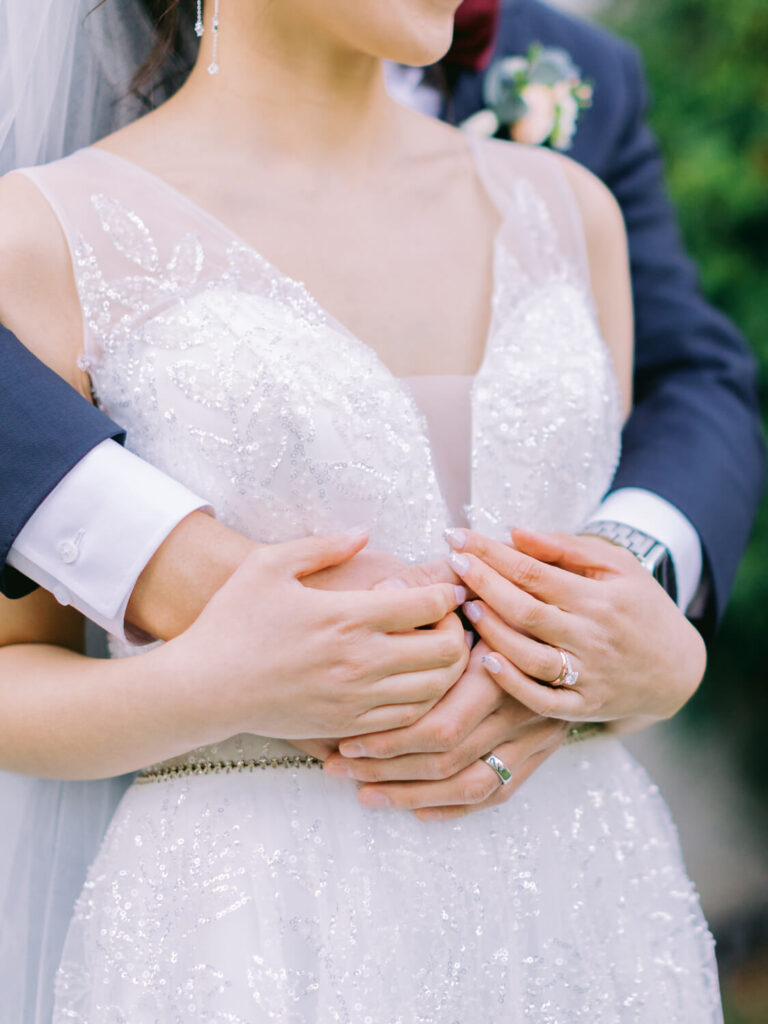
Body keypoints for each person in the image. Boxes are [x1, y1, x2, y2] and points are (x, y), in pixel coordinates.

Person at [0, 0, 732, 1019]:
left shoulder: (570, 210)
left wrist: (662, 667)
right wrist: (211, 685)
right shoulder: (41, 237)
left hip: (589, 906)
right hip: (251, 935)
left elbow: (611, 596)